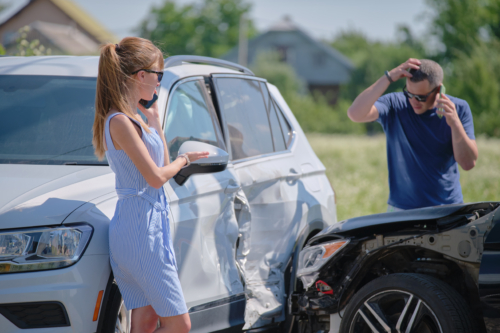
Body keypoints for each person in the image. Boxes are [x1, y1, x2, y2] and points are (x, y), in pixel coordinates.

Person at [92, 37, 208, 333]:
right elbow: (156, 177)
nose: (159, 82)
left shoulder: (134, 119)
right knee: (180, 325)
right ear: (140, 75)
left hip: (143, 226)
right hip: (141, 230)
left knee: (144, 322)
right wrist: (184, 159)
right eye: (159, 75)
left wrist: (155, 122)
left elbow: (159, 167)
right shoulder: (119, 121)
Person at [347, 58, 478, 211]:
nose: (413, 101)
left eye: (421, 97)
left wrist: (455, 124)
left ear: (439, 90)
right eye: (409, 94)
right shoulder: (395, 104)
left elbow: (468, 163)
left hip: (448, 208)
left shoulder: (459, 109)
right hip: (402, 210)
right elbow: (355, 114)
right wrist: (388, 78)